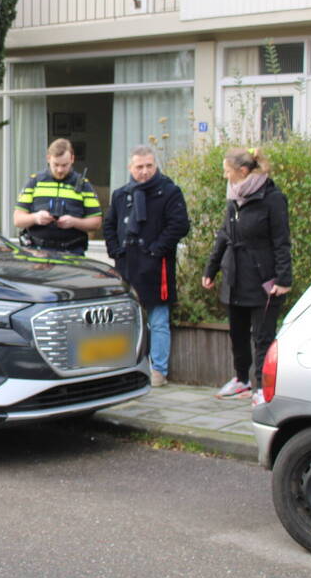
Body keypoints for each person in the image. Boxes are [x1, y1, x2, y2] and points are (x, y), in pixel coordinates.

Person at [202, 147, 292, 404]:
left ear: (242, 171)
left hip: (264, 280)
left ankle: (262, 388)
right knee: (237, 334)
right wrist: (211, 269)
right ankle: (241, 379)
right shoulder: (234, 199)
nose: (224, 176)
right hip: (235, 278)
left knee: (262, 337)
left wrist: (284, 280)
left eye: (227, 171)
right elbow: (223, 236)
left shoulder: (273, 199)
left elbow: (282, 241)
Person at [104, 146, 190, 387]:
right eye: (139, 167)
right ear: (131, 168)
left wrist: (156, 249)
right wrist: (115, 251)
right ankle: (126, 367)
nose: (144, 171)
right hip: (127, 265)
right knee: (125, 319)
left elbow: (179, 225)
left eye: (149, 166)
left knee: (158, 319)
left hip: (156, 265)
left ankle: (158, 371)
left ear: (155, 166)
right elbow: (109, 225)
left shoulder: (170, 191)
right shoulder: (121, 194)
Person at [14, 138, 102, 255]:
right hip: (38, 253)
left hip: (72, 253)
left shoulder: (84, 185)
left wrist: (74, 222)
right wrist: (35, 218)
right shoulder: (35, 182)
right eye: (56, 165)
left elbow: (96, 222)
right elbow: (17, 219)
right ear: (48, 158)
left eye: (64, 165)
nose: (60, 170)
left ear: (72, 159)